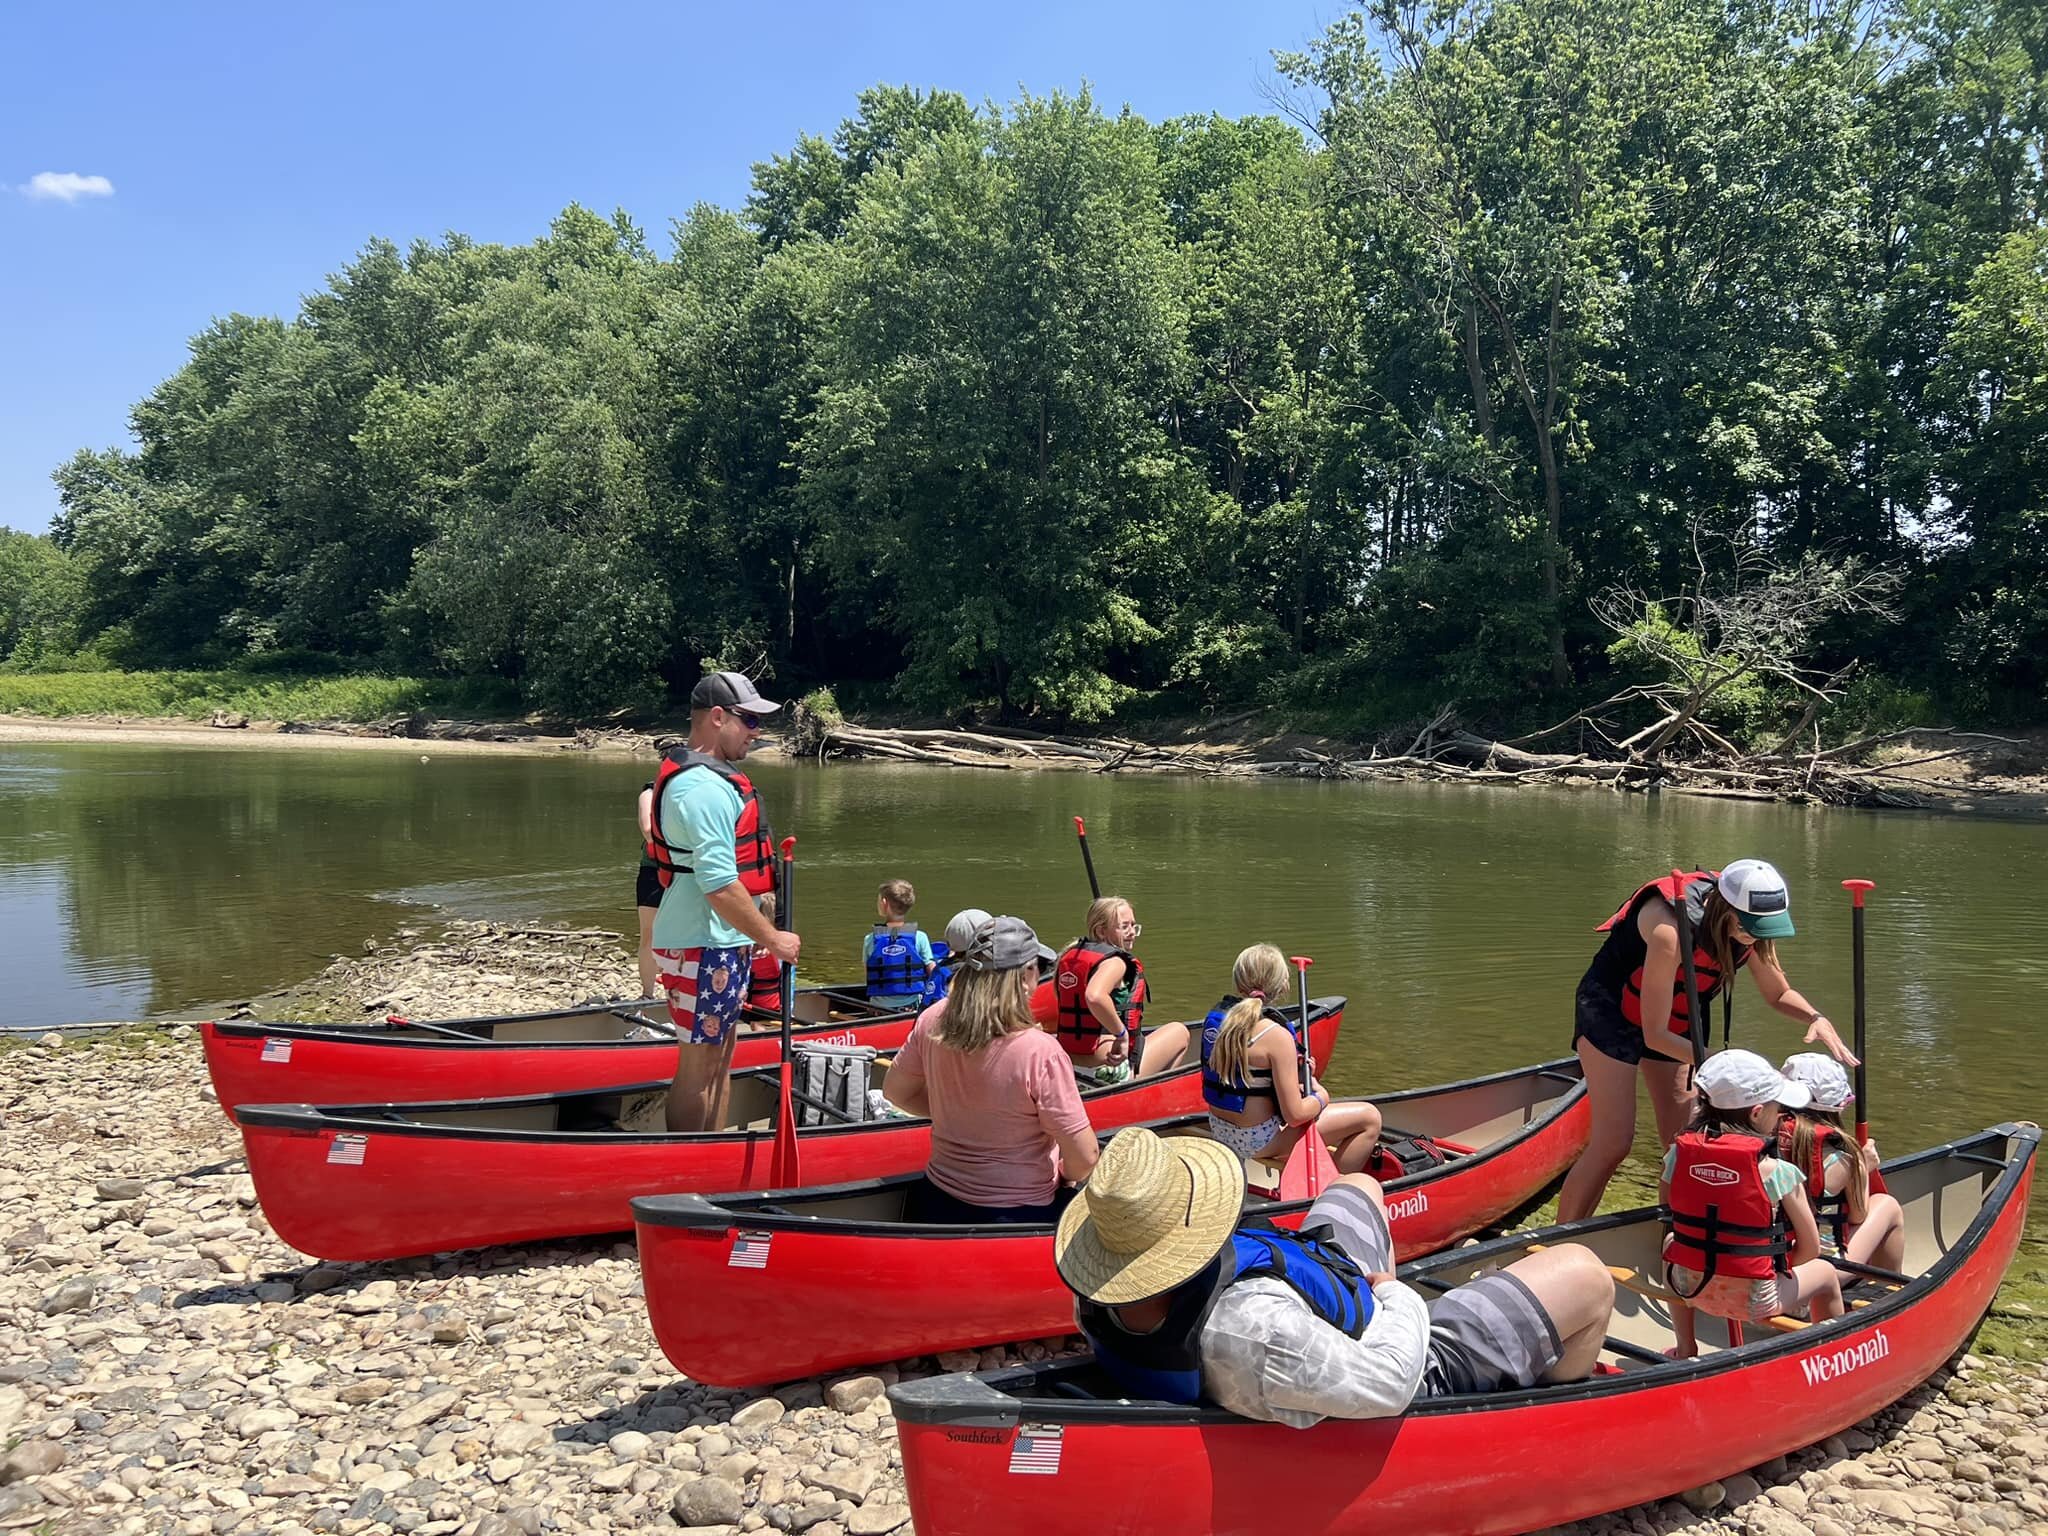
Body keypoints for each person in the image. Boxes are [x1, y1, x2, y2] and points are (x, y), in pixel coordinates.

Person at [1052, 1127, 1615, 1422]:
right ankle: (1545, 1394)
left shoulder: (1097, 1296)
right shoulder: (1256, 1331)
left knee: (1358, 1187)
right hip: (1407, 1367)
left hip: (1301, 1335)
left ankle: (1398, 1308)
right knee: (1587, 1275)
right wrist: (1396, 1299)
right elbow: (1390, 1384)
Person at [1557, 859, 1859, 1223]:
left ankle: (1679, 1233)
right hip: (1612, 1011)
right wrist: (1722, 1063)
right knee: (1614, 1142)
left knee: (1685, 1141)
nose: (1757, 935)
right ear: (1727, 911)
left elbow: (1778, 993)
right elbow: (1654, 1035)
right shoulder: (1670, 930)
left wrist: (1816, 1017)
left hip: (1681, 1016)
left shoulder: (1752, 934)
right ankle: (1563, 1237)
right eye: (1751, 926)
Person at [647, 671, 801, 1132]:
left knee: (720, 1062)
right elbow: (718, 884)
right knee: (700, 1067)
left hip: (716, 941)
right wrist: (773, 939)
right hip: (700, 943)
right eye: (750, 721)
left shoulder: (712, 781)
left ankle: (713, 1155)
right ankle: (688, 1170)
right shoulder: (703, 789)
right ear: (718, 717)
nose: (757, 733)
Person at [882, 915, 1100, 1223]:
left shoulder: (932, 1019)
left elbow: (895, 1092)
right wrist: (1065, 1175)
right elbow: (1086, 1156)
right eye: (1038, 969)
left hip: (936, 1200)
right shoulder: (1041, 1051)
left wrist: (959, 1114)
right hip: (1018, 1213)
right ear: (1026, 976)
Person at [1661, 1050, 1845, 1360]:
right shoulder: (1778, 1171)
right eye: (1778, 1107)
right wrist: (1780, 1268)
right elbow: (1811, 1247)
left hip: (1687, 1287)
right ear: (1757, 1113)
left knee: (1670, 1242)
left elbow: (1671, 1215)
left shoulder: (1676, 1156)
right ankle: (1830, 1357)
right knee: (1825, 1272)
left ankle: (1685, 1346)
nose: (1781, 1114)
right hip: (1757, 1300)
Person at [1201, 943, 1383, 1172]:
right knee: (1370, 1119)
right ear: (1282, 987)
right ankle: (1335, 1194)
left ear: (1238, 983)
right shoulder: (1276, 1036)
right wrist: (1321, 1096)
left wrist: (1300, 1075)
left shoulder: (1220, 1022)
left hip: (1220, 1130)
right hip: (1257, 1142)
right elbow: (1295, 1116)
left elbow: (1251, 1081)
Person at [1778, 1052, 1905, 1272]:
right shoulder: (1844, 1159)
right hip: (1818, 1266)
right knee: (1888, 1205)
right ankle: (1889, 1291)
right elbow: (1858, 1215)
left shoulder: (1762, 1139)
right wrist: (1863, 1168)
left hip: (1769, 1256)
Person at [1048, 896, 1186, 1085]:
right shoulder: (1115, 963)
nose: (1132, 933)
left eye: (1134, 926)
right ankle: (1147, 1094)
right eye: (1124, 927)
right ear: (1101, 931)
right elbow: (1094, 996)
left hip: (1069, 1061)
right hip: (1108, 1067)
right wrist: (1121, 1035)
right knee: (1179, 1032)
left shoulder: (1070, 956)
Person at [864, 878, 936, 1009]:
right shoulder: (920, 937)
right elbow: (932, 971)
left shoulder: (870, 939)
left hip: (878, 1008)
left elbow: (868, 974)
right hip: (911, 1005)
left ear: (884, 903)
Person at [634, 784, 663, 999]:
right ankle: (647, 993)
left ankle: (682, 989)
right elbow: (647, 830)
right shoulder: (649, 793)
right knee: (649, 934)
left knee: (687, 933)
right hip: (653, 870)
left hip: (686, 871)